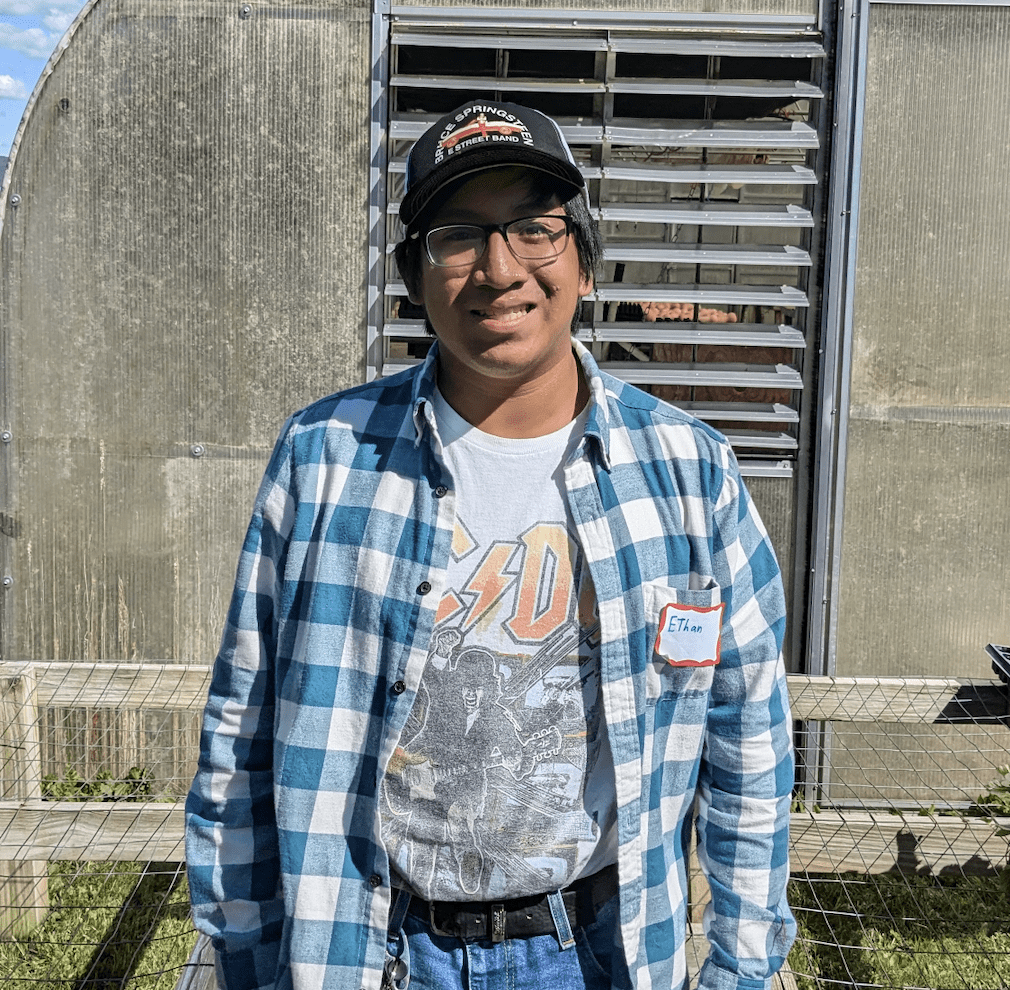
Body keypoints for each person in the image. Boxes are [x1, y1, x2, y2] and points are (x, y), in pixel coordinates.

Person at [185, 99, 796, 990]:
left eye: (536, 229)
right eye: (458, 235)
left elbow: (747, 739)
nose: (500, 269)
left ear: (585, 262)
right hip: (368, 945)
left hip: (593, 950)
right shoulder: (323, 457)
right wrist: (243, 950)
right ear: (414, 276)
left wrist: (742, 966)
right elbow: (244, 723)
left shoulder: (688, 472)